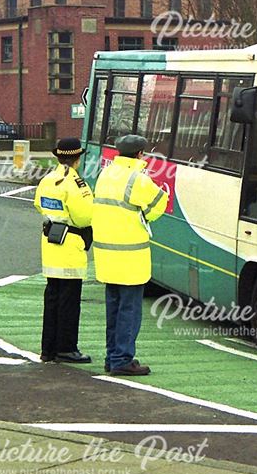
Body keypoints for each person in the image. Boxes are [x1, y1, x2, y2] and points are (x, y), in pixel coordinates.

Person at [92, 134, 168, 376]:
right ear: (139, 154)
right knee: (129, 312)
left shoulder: (105, 174)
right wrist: (145, 217)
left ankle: (112, 356)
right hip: (131, 258)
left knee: (113, 310)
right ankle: (122, 359)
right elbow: (160, 203)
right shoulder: (138, 179)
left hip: (106, 256)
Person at [33, 138, 94, 363]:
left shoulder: (48, 179)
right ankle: (67, 348)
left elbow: (38, 204)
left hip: (51, 242)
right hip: (70, 246)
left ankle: (47, 349)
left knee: (52, 298)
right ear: (77, 158)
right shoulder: (76, 184)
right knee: (69, 301)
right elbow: (85, 217)